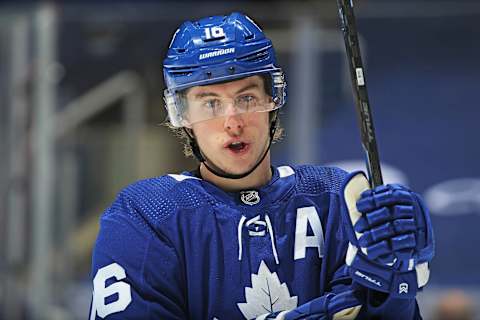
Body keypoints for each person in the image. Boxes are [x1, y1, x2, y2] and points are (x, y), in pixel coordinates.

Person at [89, 12, 434, 319]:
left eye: (247, 98)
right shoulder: (145, 214)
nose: (233, 121)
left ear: (273, 101)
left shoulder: (336, 198)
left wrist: (394, 293)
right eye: (210, 103)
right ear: (183, 116)